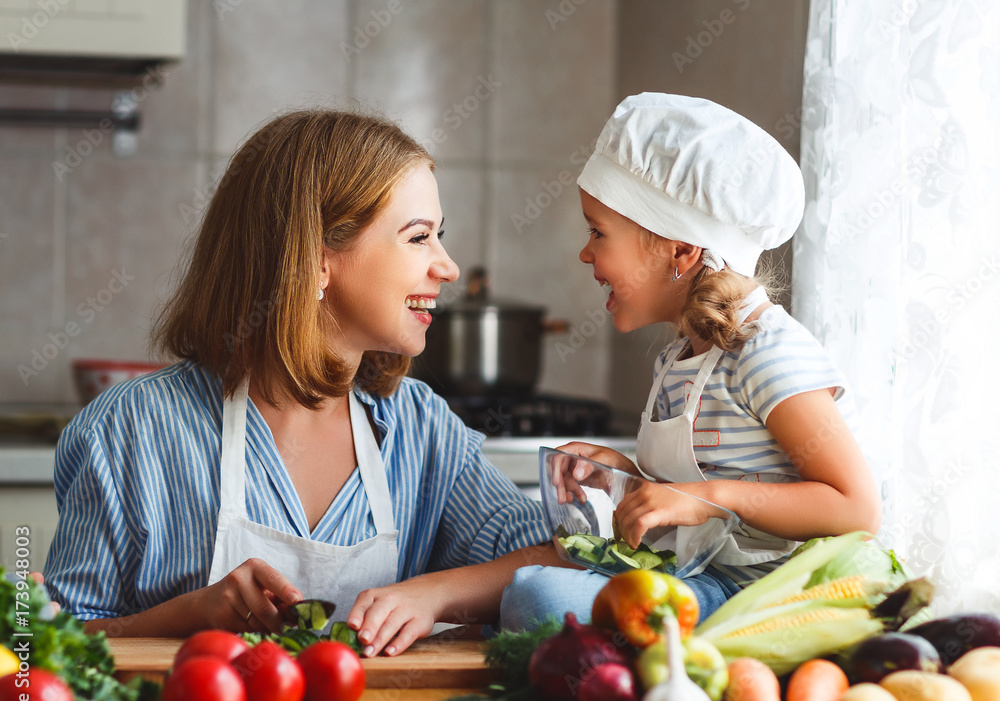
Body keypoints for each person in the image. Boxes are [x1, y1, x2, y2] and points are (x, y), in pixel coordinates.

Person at [44, 109, 563, 657]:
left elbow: (559, 558)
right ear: (317, 259)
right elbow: (46, 647)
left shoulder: (418, 426)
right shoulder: (129, 431)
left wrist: (433, 594)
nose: (449, 267)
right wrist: (187, 616)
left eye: (440, 236)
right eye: (418, 238)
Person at [500, 93, 881, 629]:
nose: (585, 254)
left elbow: (856, 509)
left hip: (764, 596)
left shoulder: (765, 349)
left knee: (538, 601)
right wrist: (623, 477)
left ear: (681, 252)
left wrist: (710, 498)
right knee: (532, 592)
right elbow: (688, 500)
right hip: (697, 574)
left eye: (597, 232)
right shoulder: (682, 356)